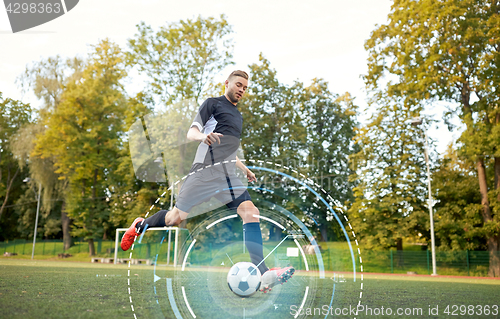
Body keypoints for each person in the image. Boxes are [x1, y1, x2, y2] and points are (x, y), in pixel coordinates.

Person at [120, 70, 294, 293]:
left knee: (251, 212)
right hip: (204, 172)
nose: (241, 90)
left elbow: (229, 150)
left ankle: (262, 272)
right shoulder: (212, 104)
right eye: (238, 85)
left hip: (228, 175)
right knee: (175, 218)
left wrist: (244, 168)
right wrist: (203, 137)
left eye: (245, 87)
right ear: (227, 83)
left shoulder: (238, 116)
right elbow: (192, 133)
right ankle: (140, 225)